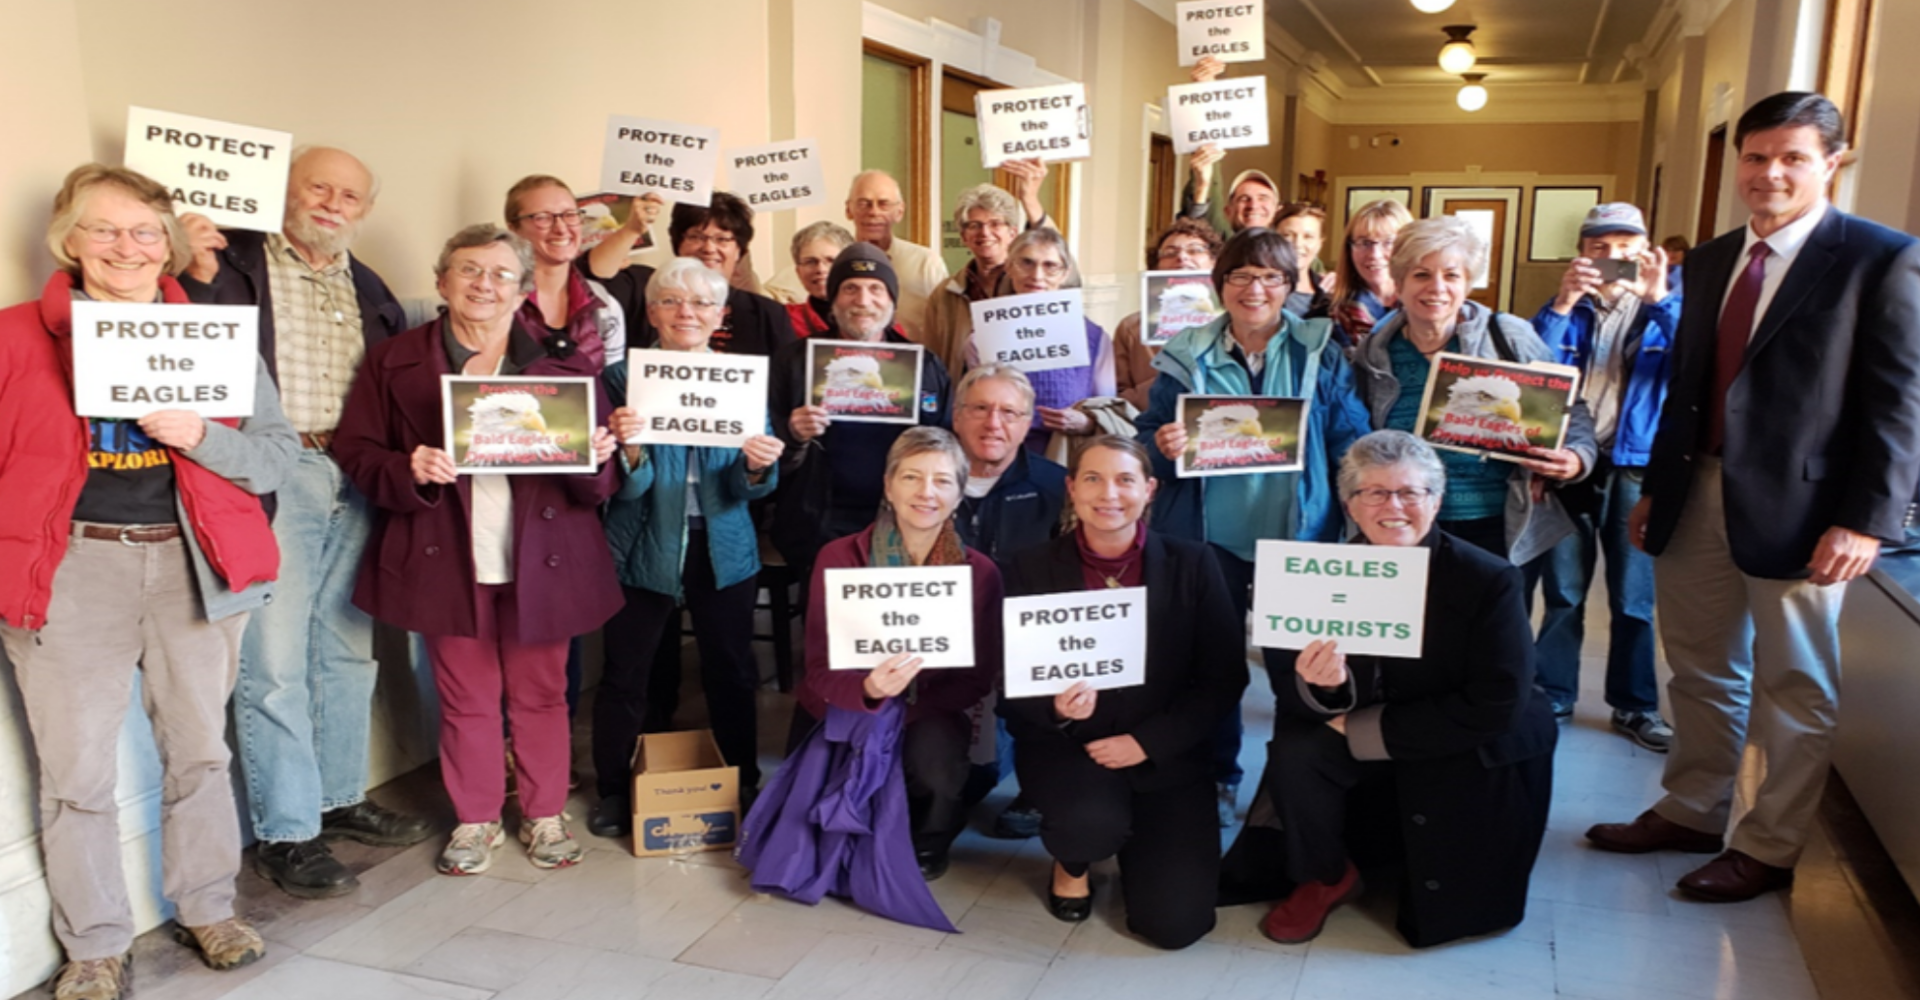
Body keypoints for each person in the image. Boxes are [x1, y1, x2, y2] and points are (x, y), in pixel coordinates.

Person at [1588, 92, 1920, 903]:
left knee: (1795, 685)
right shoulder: (1709, 259)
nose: (1769, 173)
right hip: (1694, 491)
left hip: (1809, 515)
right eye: (1756, 156)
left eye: (1792, 157)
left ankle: (1768, 847)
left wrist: (1866, 520)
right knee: (1699, 667)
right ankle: (1693, 808)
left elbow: (1901, 401)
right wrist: (1659, 488)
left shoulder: (1881, 258)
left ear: (1832, 162)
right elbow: (1691, 389)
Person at [1, 164, 296, 998]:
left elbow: (275, 456)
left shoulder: (215, 339)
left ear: (166, 243)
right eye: (103, 229)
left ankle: (208, 907)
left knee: (200, 753)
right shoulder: (15, 336)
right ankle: (94, 944)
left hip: (192, 566)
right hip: (69, 570)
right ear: (68, 240)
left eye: (143, 231)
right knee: (77, 774)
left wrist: (203, 433)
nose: (124, 247)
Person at [332, 225, 623, 876]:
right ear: (442, 282)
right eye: (469, 271)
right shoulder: (395, 362)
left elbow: (599, 486)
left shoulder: (565, 369)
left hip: (542, 559)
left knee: (542, 693)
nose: (483, 285)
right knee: (464, 695)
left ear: (522, 291)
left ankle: (545, 814)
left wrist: (599, 457)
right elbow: (355, 450)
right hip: (445, 553)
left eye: (499, 274)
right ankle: (476, 819)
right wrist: (411, 467)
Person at [176, 145, 427, 899]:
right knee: (275, 662)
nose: (332, 202)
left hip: (355, 474)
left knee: (348, 650)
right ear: (284, 191)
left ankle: (338, 796)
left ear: (363, 209)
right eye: (318, 185)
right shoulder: (231, 259)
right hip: (277, 477)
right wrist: (193, 274)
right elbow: (190, 345)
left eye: (349, 194)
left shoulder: (366, 280)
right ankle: (287, 832)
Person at [1221, 430, 1557, 948]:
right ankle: (1326, 874)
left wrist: (1364, 729)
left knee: (1453, 865)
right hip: (1359, 715)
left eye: (1410, 493)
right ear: (1350, 506)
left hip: (1457, 724)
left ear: (1437, 501)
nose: (1392, 506)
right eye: (1374, 493)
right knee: (1296, 753)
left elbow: (1498, 699)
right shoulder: (1308, 576)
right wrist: (1326, 688)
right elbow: (1290, 692)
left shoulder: (1487, 579)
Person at [1135, 227, 1373, 824]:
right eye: (1240, 275)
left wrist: (1356, 510)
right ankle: (1217, 776)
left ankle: (1290, 788)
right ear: (1220, 286)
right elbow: (1148, 439)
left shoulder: (1321, 350)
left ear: (1291, 286)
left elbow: (1350, 434)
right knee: (1212, 667)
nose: (1255, 288)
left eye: (1271, 276)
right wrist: (1163, 444)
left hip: (1298, 537)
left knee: (1300, 668)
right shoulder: (1188, 353)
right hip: (1210, 539)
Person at [998, 436, 1247, 947]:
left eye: (1125, 479)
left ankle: (1141, 841)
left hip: (1166, 752)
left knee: (1175, 925)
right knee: (1091, 824)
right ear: (1071, 488)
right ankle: (1074, 861)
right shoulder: (1028, 568)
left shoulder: (1196, 564)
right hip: (1071, 748)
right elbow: (1008, 682)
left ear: (1150, 489)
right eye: (1092, 478)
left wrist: (1148, 743)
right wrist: (1056, 709)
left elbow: (1224, 679)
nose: (1108, 493)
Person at [591, 259, 786, 838]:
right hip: (641, 542)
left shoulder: (740, 379)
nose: (686, 313)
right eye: (672, 301)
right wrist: (629, 453)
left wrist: (758, 467)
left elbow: (751, 487)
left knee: (731, 668)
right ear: (651, 312)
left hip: (724, 542)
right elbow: (623, 489)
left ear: (720, 316)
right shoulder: (623, 379)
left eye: (701, 304)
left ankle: (740, 778)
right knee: (630, 671)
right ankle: (613, 787)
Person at [790, 427, 1004, 879]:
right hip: (845, 699)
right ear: (888, 485)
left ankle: (929, 839)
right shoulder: (840, 557)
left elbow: (976, 678)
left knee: (935, 763)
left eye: (943, 481)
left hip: (929, 705)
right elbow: (816, 666)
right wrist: (868, 690)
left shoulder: (979, 572)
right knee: (816, 827)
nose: (927, 492)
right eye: (911, 477)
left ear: (961, 492)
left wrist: (905, 709)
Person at [1349, 216, 1595, 569]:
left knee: (1493, 623)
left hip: (1498, 520)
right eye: (1421, 275)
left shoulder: (1507, 335)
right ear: (1399, 283)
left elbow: (1571, 408)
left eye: (1451, 275)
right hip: (1405, 525)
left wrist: (1576, 456)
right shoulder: (1373, 353)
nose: (1436, 288)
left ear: (1467, 283)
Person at [1530, 203, 1678, 746]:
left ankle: (1635, 705)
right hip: (1571, 462)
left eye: (1624, 247)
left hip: (1634, 467)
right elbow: (1531, 367)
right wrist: (1564, 302)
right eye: (1599, 247)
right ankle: (1553, 693)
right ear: (1583, 251)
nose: (1612, 258)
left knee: (1633, 597)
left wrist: (1658, 298)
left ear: (1644, 250)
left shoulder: (1664, 307)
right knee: (1565, 590)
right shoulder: (1564, 308)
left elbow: (1693, 360)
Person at [770, 243, 952, 571]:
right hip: (818, 521)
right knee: (826, 618)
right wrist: (793, 433)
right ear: (833, 299)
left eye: (875, 289)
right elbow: (759, 449)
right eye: (850, 288)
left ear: (891, 300)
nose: (863, 301)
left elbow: (948, 439)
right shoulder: (794, 362)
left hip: (903, 518)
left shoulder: (925, 366)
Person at [586, 191, 793, 359]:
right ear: (677, 243)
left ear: (739, 250)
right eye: (696, 237)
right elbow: (591, 280)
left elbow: (785, 389)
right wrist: (631, 229)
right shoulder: (642, 288)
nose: (709, 248)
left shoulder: (769, 315)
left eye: (723, 239)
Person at [974, 227, 1117, 453]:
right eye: (1026, 263)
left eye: (1050, 266)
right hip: (1002, 457)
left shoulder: (1096, 339)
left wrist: (1085, 422)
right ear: (1009, 267)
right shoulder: (980, 338)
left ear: (1064, 273)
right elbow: (975, 408)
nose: (1037, 276)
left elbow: (1108, 409)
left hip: (1069, 457)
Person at [766, 172, 949, 341]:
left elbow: (945, 326)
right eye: (864, 203)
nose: (873, 212)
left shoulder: (925, 263)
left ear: (899, 211)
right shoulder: (808, 270)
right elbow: (761, 297)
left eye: (883, 204)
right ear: (848, 209)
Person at [921, 169, 1051, 376]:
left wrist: (1031, 201)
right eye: (975, 225)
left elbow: (1064, 271)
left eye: (995, 224)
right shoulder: (944, 295)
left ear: (1013, 233)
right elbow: (932, 361)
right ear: (964, 236)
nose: (985, 233)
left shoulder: (1033, 285)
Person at [506, 175, 621, 371]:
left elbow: (611, 388)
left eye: (570, 215)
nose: (561, 228)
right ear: (514, 230)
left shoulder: (604, 306)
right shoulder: (495, 298)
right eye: (542, 218)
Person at [1113, 219, 1224, 411]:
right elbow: (1118, 397)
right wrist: (1171, 382)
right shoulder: (1131, 329)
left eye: (1195, 250)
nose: (1181, 257)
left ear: (1214, 261)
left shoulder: (1236, 322)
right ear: (1155, 266)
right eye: (1170, 252)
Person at [1178, 57, 1283, 235]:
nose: (1253, 205)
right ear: (1228, 211)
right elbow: (1196, 228)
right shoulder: (1221, 246)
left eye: (1263, 198)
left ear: (1277, 210)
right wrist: (1204, 92)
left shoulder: (1294, 255)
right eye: (1244, 198)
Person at [1327, 199, 1413, 347]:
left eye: (1389, 242)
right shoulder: (1333, 312)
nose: (1374, 254)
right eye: (1365, 243)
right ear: (1350, 249)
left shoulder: (1424, 305)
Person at [780, 220, 854, 337]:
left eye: (831, 261)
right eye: (810, 262)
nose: (820, 269)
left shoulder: (875, 319)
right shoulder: (782, 319)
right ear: (798, 272)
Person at [1273, 203, 1333, 317]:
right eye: (1288, 235)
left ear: (1320, 244)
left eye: (1308, 237)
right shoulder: (1259, 289)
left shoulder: (1330, 293)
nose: (1298, 244)